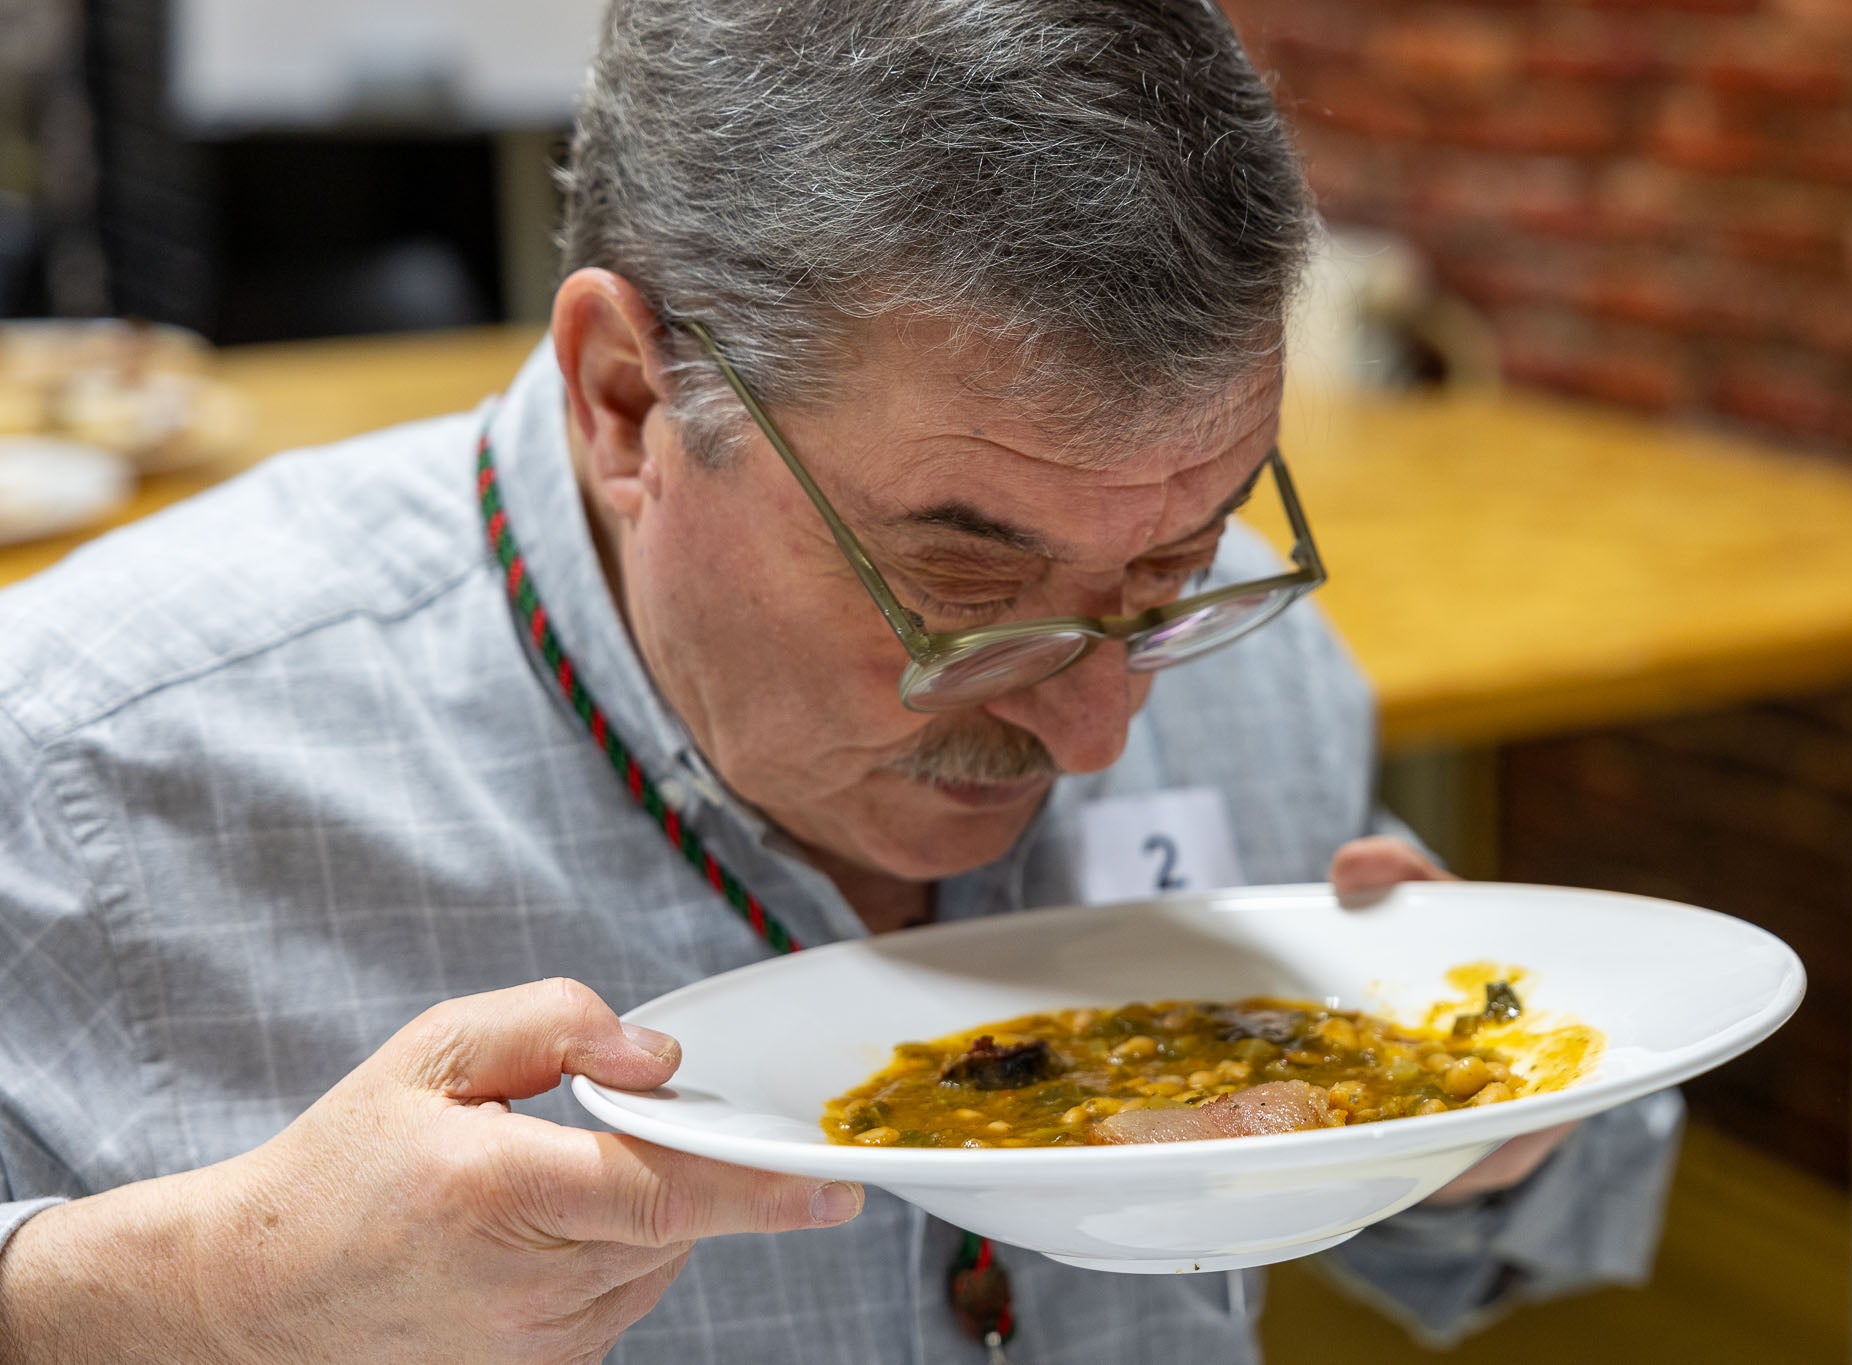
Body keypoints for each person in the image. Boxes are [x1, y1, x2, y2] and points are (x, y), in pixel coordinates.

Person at [0, 2, 1682, 1360]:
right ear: (624, 402)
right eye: (965, 583)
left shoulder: (1249, 659)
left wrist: (1479, 1135)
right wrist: (191, 1300)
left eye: (1176, 561)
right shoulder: (90, 758)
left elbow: (1491, 1244)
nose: (1102, 723)